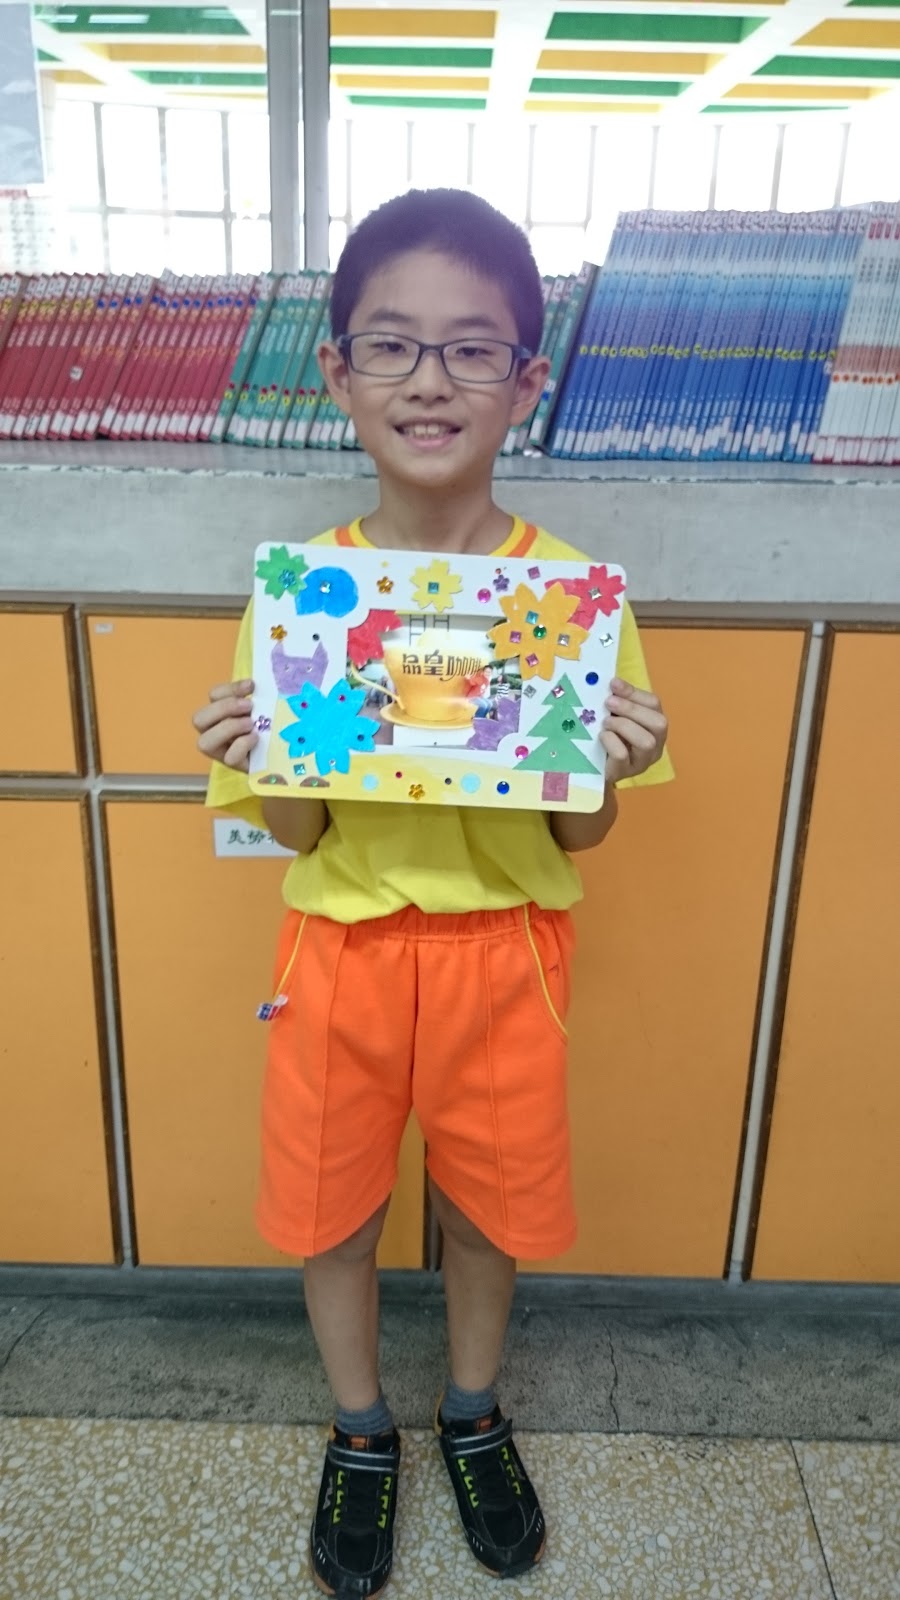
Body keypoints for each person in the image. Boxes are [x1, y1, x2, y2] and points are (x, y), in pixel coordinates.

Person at [194, 188, 673, 1600]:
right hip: (340, 947)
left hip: (503, 951)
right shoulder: (307, 596)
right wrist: (262, 754)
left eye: (473, 350)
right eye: (392, 345)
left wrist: (606, 759)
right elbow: (298, 828)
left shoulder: (573, 600)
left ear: (525, 380)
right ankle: (360, 1427)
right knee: (332, 1212)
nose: (429, 380)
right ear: (337, 371)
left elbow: (581, 836)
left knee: (486, 1211)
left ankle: (471, 1409)